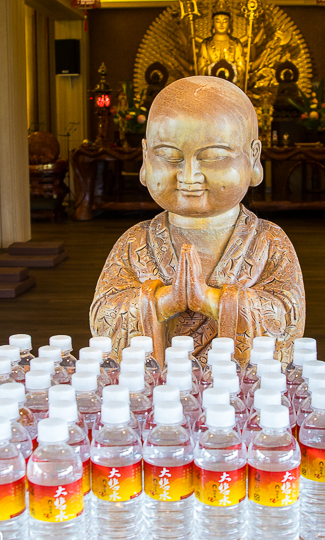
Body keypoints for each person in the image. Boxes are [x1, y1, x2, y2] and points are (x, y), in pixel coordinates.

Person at [90, 76, 305, 366]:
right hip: (156, 394)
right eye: (168, 156)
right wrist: (162, 302)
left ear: (254, 159)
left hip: (239, 396)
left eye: (214, 157)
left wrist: (214, 302)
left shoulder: (269, 241)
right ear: (145, 158)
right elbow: (103, 317)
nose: (189, 176)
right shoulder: (134, 242)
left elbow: (288, 318)